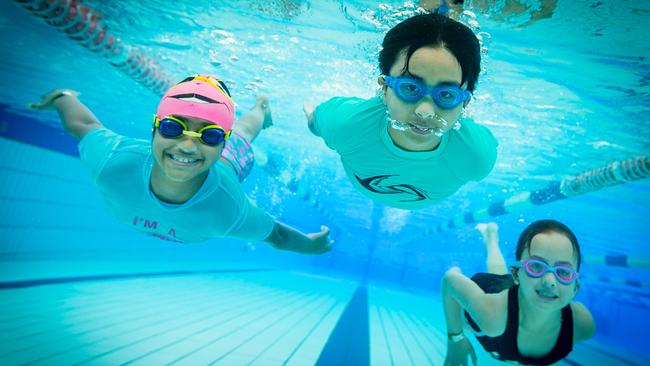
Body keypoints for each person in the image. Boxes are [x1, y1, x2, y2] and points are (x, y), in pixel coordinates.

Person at [29, 74, 333, 254]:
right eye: (174, 128)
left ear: (220, 144)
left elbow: (276, 235)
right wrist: (61, 96)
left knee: (244, 132)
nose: (188, 145)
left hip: (225, 169)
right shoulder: (114, 162)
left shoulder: (228, 207)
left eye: (210, 134)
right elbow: (82, 124)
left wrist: (310, 246)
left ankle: (260, 109)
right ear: (154, 128)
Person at [304, 13, 498, 210]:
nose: (425, 112)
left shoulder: (475, 156)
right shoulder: (346, 124)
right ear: (384, 88)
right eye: (410, 88)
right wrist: (312, 116)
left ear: (465, 102)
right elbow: (315, 122)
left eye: (447, 95)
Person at [441, 221, 596, 365]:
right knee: (467, 318)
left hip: (516, 292)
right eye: (536, 266)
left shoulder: (582, 325)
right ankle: (457, 266)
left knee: (500, 275)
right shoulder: (492, 315)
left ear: (575, 288)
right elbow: (449, 281)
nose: (550, 281)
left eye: (563, 272)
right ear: (516, 274)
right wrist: (456, 339)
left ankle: (492, 238)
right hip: (487, 292)